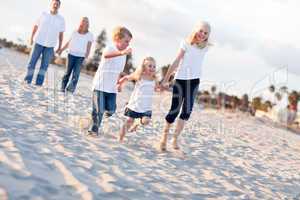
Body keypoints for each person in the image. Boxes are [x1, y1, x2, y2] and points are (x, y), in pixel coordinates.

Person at [159, 21, 211, 151]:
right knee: (174, 110)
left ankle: (175, 139)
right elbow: (176, 61)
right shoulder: (186, 43)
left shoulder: (205, 47)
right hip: (180, 80)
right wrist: (166, 79)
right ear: (195, 30)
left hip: (194, 82)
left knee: (187, 112)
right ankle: (164, 138)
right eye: (201, 31)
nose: (202, 34)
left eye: (205, 33)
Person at [88, 26, 132, 136]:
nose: (128, 44)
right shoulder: (110, 48)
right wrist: (121, 53)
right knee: (99, 110)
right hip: (100, 85)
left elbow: (119, 71)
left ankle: (97, 117)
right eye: (126, 41)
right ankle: (93, 129)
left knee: (111, 110)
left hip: (112, 88)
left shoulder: (123, 56)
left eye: (129, 42)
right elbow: (107, 56)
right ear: (117, 38)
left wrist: (119, 83)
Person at [117, 57, 160, 142]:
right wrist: (120, 84)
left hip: (146, 107)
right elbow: (127, 78)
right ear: (144, 67)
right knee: (129, 121)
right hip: (135, 105)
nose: (152, 68)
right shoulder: (139, 76)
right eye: (150, 66)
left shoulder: (155, 79)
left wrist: (162, 88)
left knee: (146, 121)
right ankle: (120, 138)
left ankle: (137, 123)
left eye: (154, 66)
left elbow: (157, 89)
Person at [24, 0, 65, 86]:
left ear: (59, 6)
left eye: (57, 4)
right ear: (51, 4)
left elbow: (61, 34)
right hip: (38, 42)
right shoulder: (43, 14)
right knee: (32, 63)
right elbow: (35, 26)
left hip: (50, 46)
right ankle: (27, 81)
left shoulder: (61, 19)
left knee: (44, 67)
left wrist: (60, 47)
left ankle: (38, 84)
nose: (55, 5)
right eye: (54, 4)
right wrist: (31, 38)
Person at [58, 17, 93, 93]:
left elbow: (89, 47)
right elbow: (68, 43)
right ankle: (62, 88)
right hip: (71, 54)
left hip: (80, 57)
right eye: (83, 21)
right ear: (80, 22)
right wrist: (61, 50)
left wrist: (86, 57)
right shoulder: (74, 32)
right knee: (67, 72)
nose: (84, 22)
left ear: (88, 24)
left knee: (76, 75)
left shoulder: (90, 35)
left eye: (86, 21)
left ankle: (70, 89)